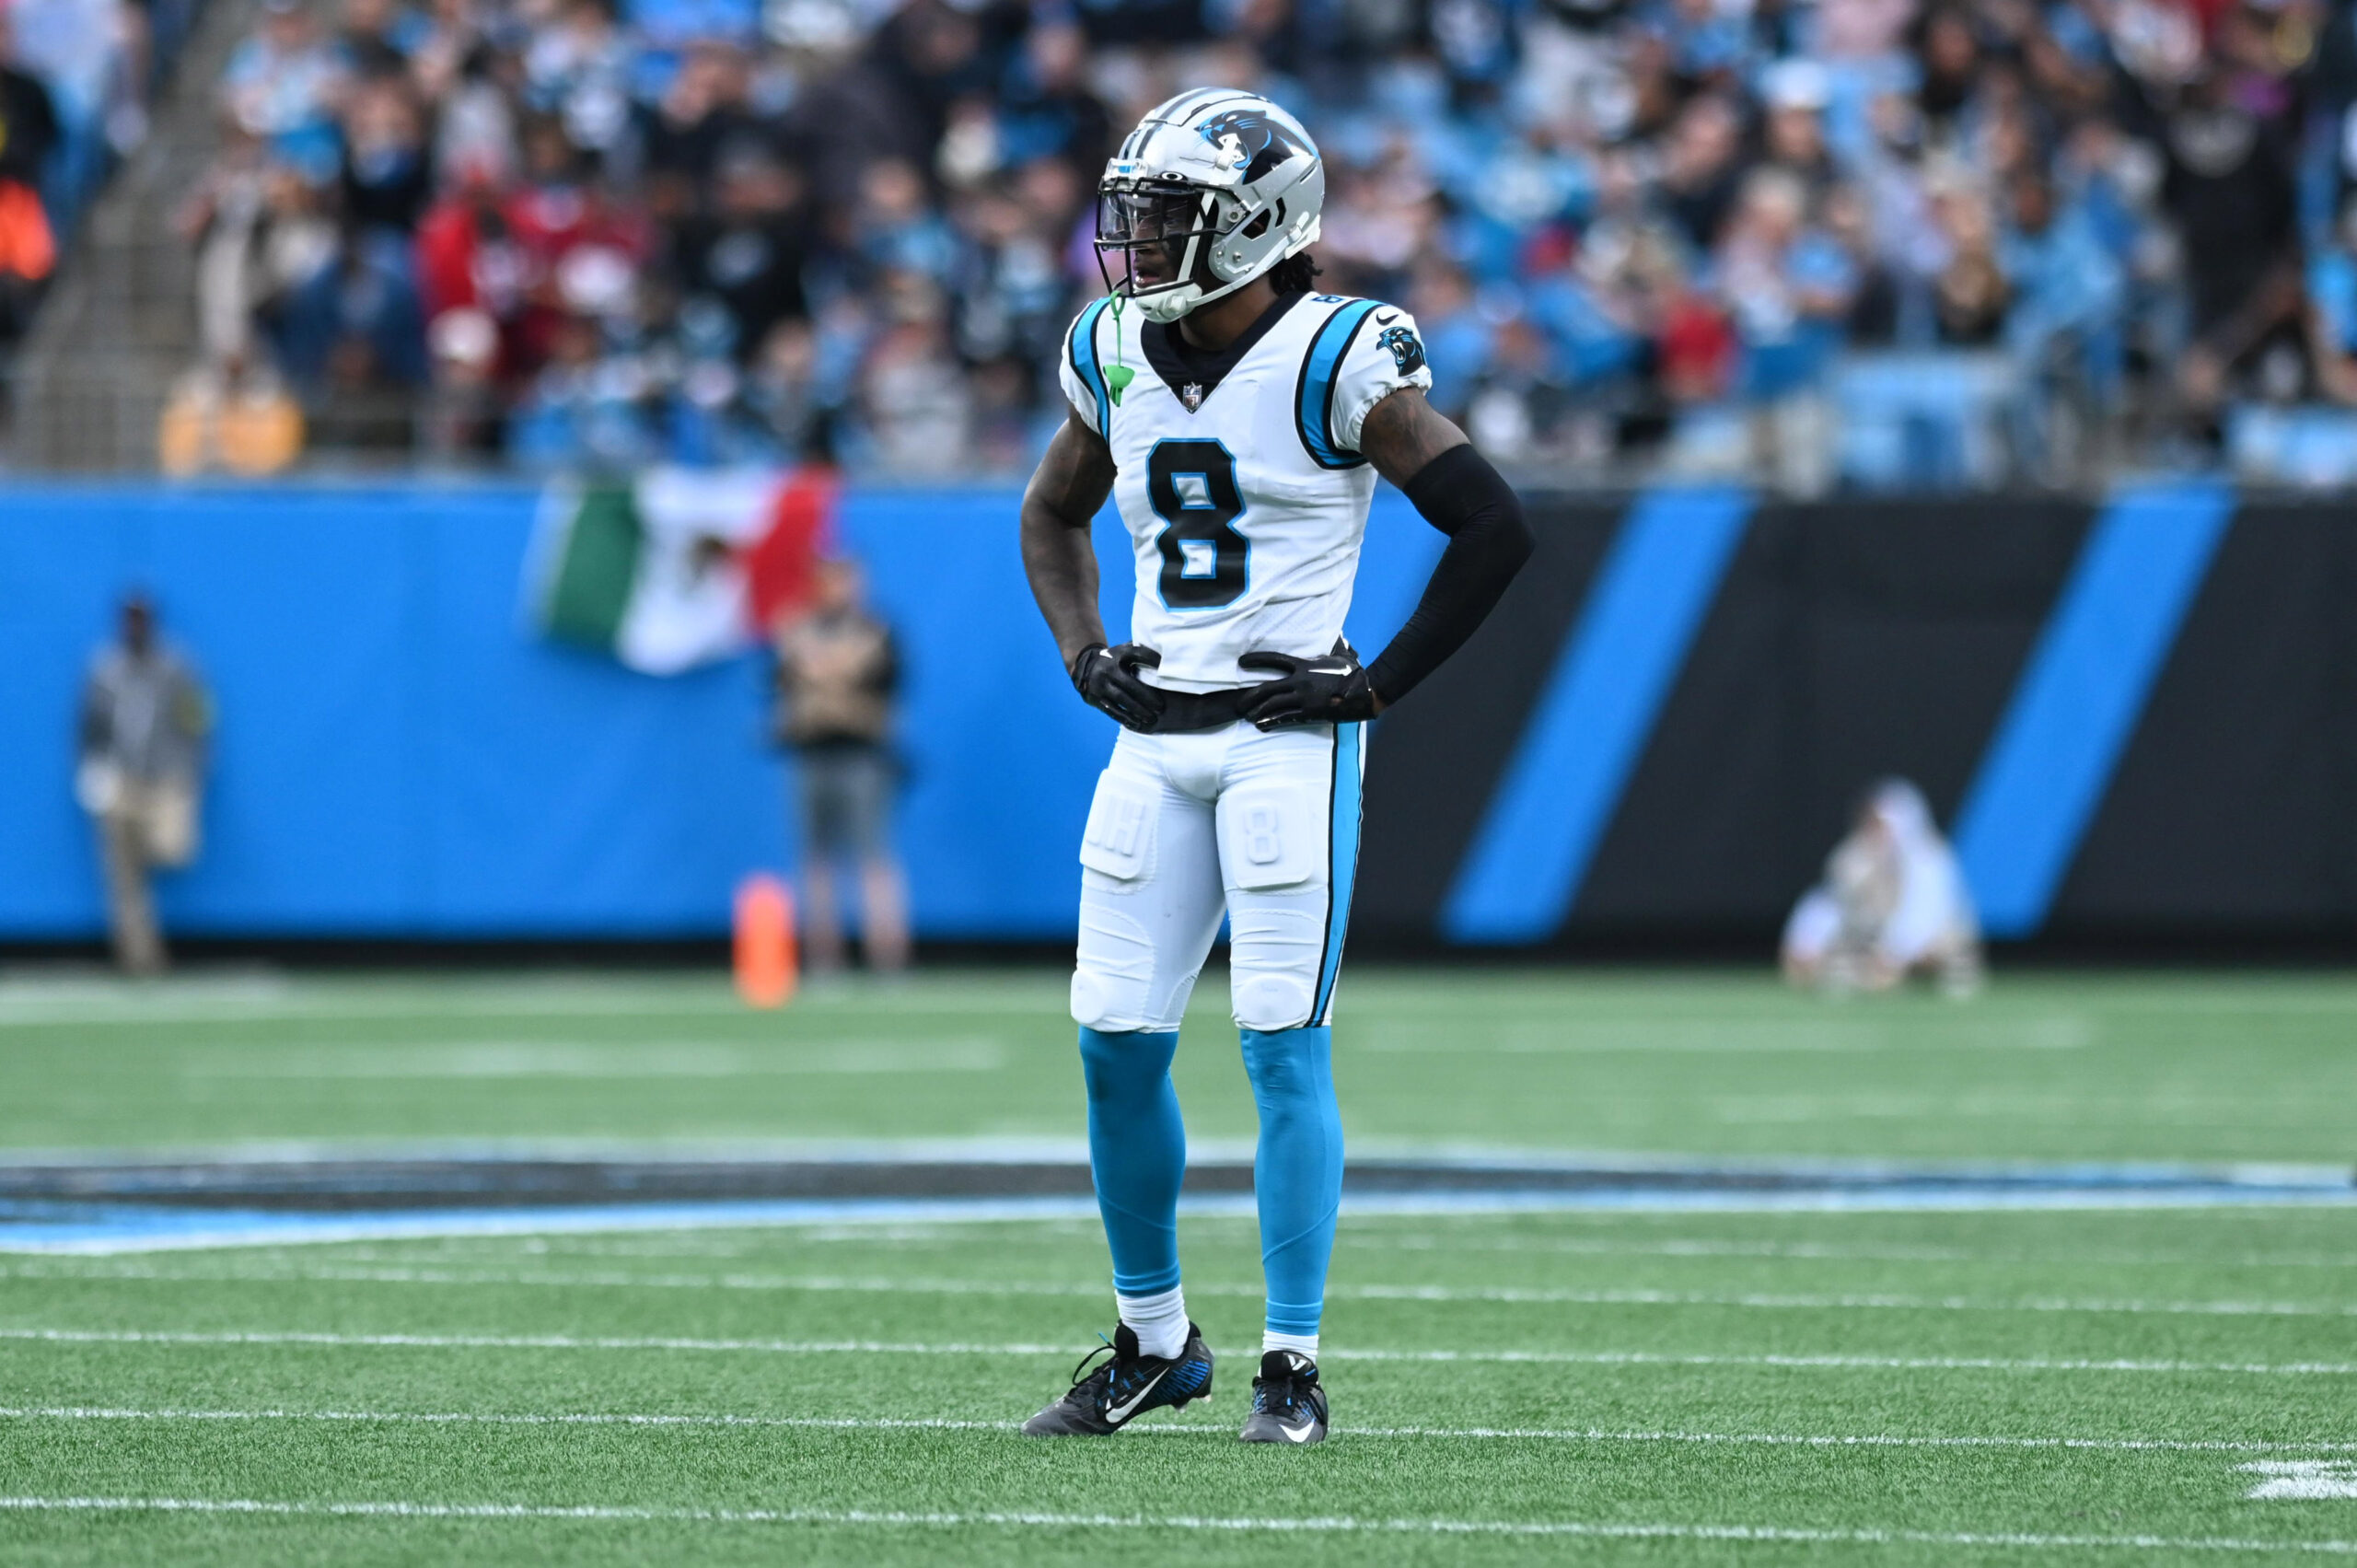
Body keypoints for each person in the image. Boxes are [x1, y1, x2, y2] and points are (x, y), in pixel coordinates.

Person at [1016, 90, 1532, 1446]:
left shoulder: (1337, 351)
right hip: (1153, 738)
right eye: (1133, 213)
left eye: (1168, 215)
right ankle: (1152, 1338)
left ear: (1260, 224)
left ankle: (1291, 1362)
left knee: (1280, 1051)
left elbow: (1491, 524)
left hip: (1284, 744)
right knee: (1113, 1046)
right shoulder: (1114, 348)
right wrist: (1085, 651)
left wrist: (1377, 681)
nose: (1136, 243)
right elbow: (1051, 515)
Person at [771, 555, 909, 975]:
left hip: (862, 755)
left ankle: (886, 957)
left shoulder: (876, 633)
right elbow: (779, 686)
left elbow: (886, 683)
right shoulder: (796, 632)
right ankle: (822, 958)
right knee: (816, 860)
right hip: (812, 753)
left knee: (873, 857)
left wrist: (822, 668)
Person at [76, 596, 214, 976]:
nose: (135, 627)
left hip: (165, 780)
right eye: (129, 619)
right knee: (123, 878)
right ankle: (141, 960)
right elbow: (87, 726)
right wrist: (90, 771)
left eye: (141, 619)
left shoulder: (177, 666)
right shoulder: (104, 669)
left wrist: (193, 769)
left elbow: (198, 718)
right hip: (120, 778)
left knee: (172, 849)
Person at [1782, 778, 1982, 997]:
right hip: (1871, 944)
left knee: (1949, 957)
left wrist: (1892, 955)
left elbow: (1923, 915)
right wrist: (1806, 941)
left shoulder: (1929, 859)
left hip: (1925, 944)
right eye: (1871, 821)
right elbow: (1829, 901)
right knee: (1840, 964)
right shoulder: (1855, 857)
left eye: (1882, 823)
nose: (1874, 830)